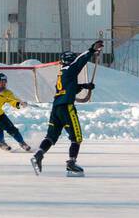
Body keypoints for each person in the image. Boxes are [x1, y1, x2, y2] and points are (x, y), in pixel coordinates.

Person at [31, 41, 102, 177]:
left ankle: (38, 154)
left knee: (51, 136)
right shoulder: (71, 69)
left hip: (56, 108)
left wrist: (84, 86)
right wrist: (92, 50)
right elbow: (80, 62)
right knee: (77, 138)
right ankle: (71, 163)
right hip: (66, 108)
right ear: (70, 61)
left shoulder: (62, 73)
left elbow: (69, 88)